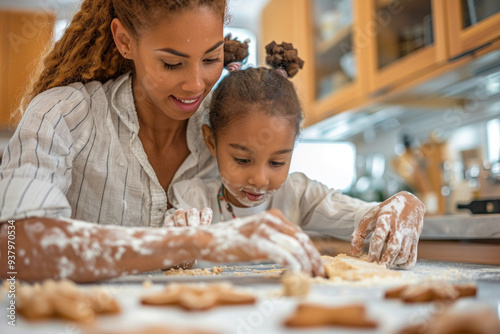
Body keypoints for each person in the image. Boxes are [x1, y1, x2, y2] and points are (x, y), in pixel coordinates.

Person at [0, 0, 325, 282]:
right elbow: (13, 248)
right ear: (125, 40)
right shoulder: (61, 115)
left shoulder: (228, 127)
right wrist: (198, 242)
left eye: (211, 59)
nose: (196, 85)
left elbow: (295, 198)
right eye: (172, 63)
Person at [165, 41, 426, 269]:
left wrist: (401, 204)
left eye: (277, 162)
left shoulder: (299, 194)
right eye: (242, 160)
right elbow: (174, 258)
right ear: (211, 142)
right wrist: (180, 242)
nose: (259, 179)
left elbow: (365, 216)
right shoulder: (193, 198)